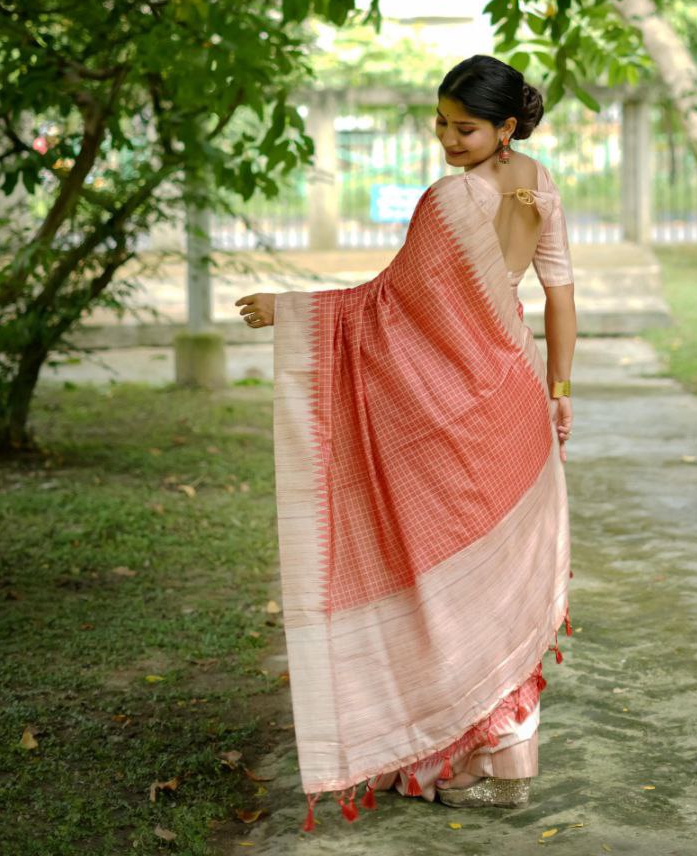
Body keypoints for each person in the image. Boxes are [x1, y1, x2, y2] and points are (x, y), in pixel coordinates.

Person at [235, 55, 577, 833]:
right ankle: (481, 763)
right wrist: (559, 392)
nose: (448, 140)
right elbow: (558, 296)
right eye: (441, 124)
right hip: (512, 392)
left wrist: (289, 311)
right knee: (485, 583)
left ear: (505, 128)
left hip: (463, 407)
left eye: (465, 128)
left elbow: (389, 300)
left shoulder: (453, 198)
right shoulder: (541, 183)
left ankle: (461, 757)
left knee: (451, 583)